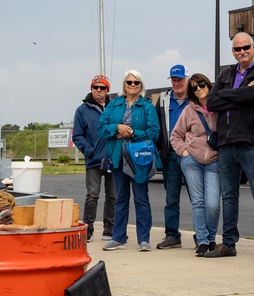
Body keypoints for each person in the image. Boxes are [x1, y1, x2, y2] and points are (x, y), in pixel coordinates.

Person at [205, 33, 254, 261]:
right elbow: (211, 102)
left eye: (246, 47)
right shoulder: (226, 74)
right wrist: (238, 95)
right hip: (226, 143)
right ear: (233, 51)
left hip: (252, 142)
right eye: (237, 49)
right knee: (229, 196)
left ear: (253, 48)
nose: (242, 52)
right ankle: (228, 243)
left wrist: (227, 95)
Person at [99, 70, 159, 252]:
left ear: (141, 86)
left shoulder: (147, 107)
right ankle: (118, 238)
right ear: (124, 85)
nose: (132, 85)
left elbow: (154, 133)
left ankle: (144, 239)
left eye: (136, 82)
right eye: (129, 82)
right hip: (118, 157)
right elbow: (101, 129)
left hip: (139, 159)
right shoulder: (114, 105)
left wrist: (133, 133)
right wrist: (117, 127)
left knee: (141, 199)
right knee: (120, 199)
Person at [170, 73, 220, 256]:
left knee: (213, 204)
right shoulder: (189, 110)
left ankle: (212, 237)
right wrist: (184, 152)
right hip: (192, 160)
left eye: (201, 85)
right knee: (198, 202)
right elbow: (175, 135)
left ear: (208, 84)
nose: (199, 89)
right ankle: (203, 241)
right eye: (194, 88)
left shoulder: (219, 107)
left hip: (214, 160)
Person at [73, 74, 116, 243]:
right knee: (92, 194)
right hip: (93, 160)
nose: (98, 90)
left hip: (113, 159)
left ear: (107, 90)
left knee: (113, 195)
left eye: (102, 87)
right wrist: (90, 151)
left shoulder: (114, 108)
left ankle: (109, 229)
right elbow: (77, 136)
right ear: (91, 89)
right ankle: (88, 229)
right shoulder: (82, 110)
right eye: (95, 87)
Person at [155, 64, 191, 250]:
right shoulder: (163, 100)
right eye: (174, 79)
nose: (177, 83)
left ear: (187, 79)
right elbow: (156, 126)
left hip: (193, 155)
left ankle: (203, 235)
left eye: (180, 79)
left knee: (198, 198)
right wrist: (160, 151)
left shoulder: (195, 98)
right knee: (171, 199)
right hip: (171, 156)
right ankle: (172, 235)